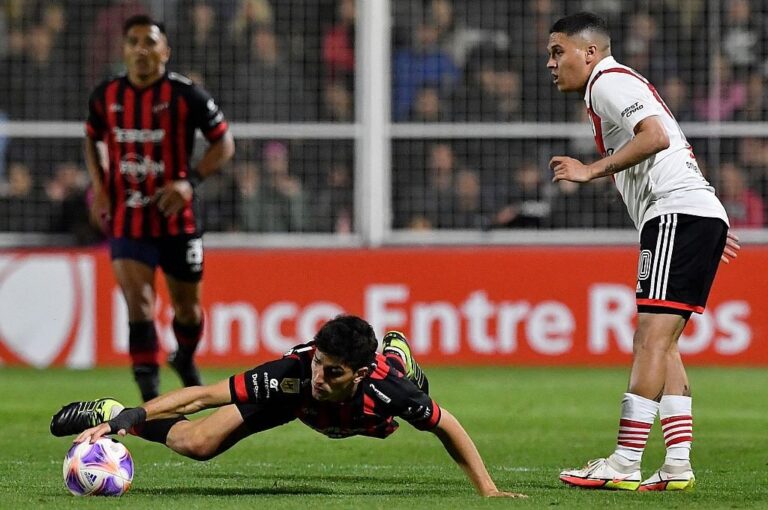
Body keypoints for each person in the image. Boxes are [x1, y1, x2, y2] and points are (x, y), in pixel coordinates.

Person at [546, 12, 740, 491]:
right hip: (690, 214)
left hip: (677, 213)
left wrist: (590, 170)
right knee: (664, 344)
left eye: (558, 52)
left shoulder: (607, 82)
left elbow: (655, 136)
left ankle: (625, 461)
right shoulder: (615, 84)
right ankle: (676, 465)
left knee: (649, 341)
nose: (551, 63)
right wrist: (705, 216)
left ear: (589, 52)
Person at [50, 315, 526, 499]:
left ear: (358, 373)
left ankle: (397, 349)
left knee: (395, 392)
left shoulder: (390, 391)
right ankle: (108, 408)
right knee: (197, 444)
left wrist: (487, 490)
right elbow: (202, 395)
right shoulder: (293, 374)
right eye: (319, 362)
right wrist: (128, 417)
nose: (320, 377)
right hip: (294, 405)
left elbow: (447, 425)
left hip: (366, 407)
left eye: (333, 371)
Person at [84, 15, 235, 402]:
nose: (141, 49)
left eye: (150, 42)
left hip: (176, 219)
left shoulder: (187, 95)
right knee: (140, 306)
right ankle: (151, 401)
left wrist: (190, 182)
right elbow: (92, 138)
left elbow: (224, 144)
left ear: (165, 51)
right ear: (124, 50)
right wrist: (100, 188)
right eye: (133, 41)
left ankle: (184, 357)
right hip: (128, 217)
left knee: (188, 311)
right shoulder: (106, 96)